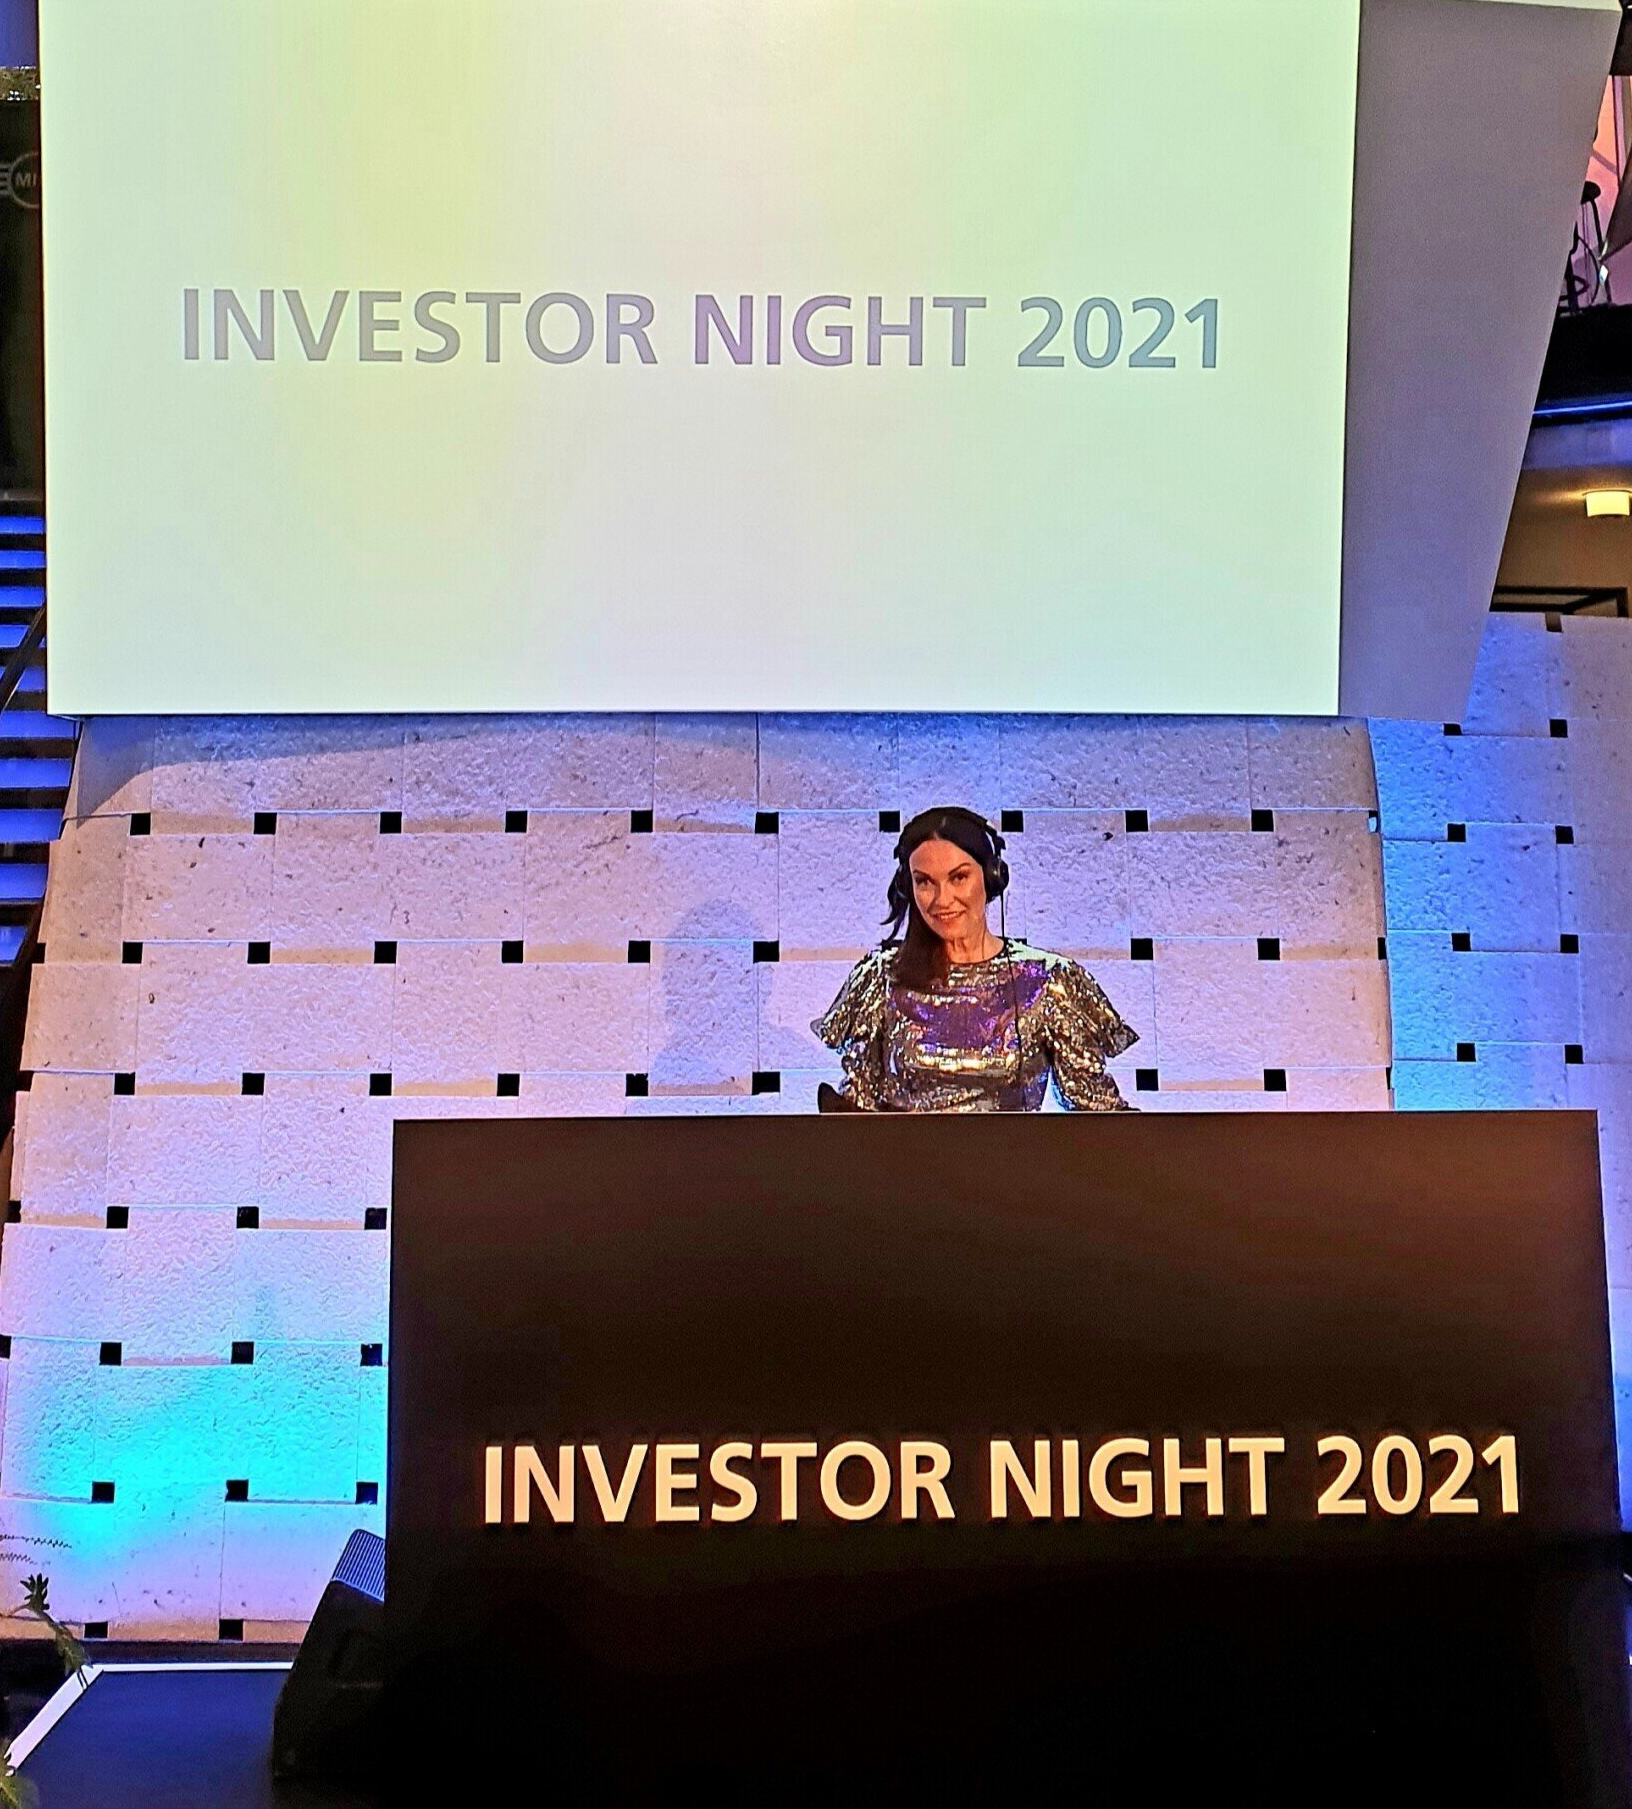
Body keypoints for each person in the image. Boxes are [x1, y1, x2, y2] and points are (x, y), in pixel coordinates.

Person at [812, 805, 1138, 1112]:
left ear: (992, 877)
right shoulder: (882, 977)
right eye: (924, 882)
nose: (942, 899)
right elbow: (858, 1117)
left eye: (958, 878)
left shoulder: (1048, 980)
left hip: (1014, 1155)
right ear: (908, 887)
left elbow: (1096, 1111)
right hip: (902, 1155)